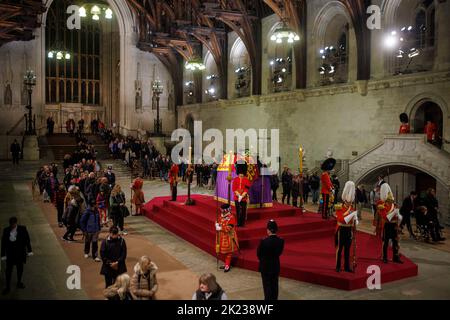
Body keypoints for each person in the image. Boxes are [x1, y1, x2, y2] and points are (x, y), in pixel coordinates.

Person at [1, 217, 33, 295]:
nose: (12, 225)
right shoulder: (6, 230)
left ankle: (19, 282)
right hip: (10, 254)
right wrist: (3, 255)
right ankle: (8, 287)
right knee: (8, 271)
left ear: (16, 223)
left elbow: (27, 240)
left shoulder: (22, 229)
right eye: (11, 224)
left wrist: (30, 250)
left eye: (13, 224)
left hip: (20, 254)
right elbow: (3, 244)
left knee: (20, 269)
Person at [257, 219, 284, 300]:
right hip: (275, 265)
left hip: (265, 266)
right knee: (275, 284)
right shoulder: (281, 241)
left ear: (268, 230)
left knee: (267, 285)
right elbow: (279, 253)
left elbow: (259, 254)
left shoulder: (264, 241)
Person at [335, 181, 358, 273]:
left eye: (351, 202)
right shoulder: (339, 207)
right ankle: (338, 266)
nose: (350, 203)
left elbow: (353, 222)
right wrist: (350, 214)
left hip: (349, 230)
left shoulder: (352, 209)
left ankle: (347, 267)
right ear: (345, 200)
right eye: (348, 202)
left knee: (348, 250)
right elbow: (341, 219)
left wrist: (355, 221)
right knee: (340, 249)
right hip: (341, 230)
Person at [378, 183, 403, 264]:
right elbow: (386, 217)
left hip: (394, 225)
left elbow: (399, 217)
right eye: (390, 201)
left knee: (395, 241)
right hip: (387, 225)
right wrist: (394, 213)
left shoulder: (394, 205)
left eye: (392, 200)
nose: (391, 202)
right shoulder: (382, 206)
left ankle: (395, 257)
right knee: (386, 241)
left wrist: (398, 215)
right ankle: (385, 257)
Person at [215, 204, 239, 272]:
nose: (222, 212)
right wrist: (216, 224)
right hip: (221, 235)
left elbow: (228, 228)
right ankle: (226, 263)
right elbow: (219, 222)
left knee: (228, 252)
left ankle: (227, 265)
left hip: (228, 236)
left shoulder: (231, 217)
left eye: (223, 210)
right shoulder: (221, 216)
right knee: (223, 251)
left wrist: (220, 228)